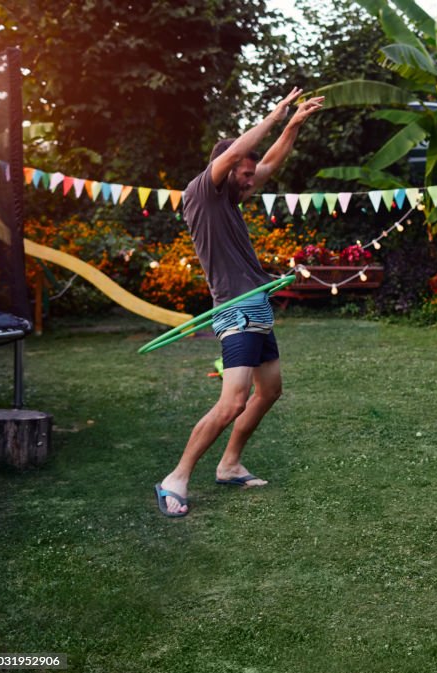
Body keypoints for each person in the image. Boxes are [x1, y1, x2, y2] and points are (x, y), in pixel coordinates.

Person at [155, 88, 324, 517]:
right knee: (233, 400)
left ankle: (229, 464)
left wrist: (293, 125)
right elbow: (244, 155)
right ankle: (175, 478)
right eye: (245, 174)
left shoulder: (230, 196)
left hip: (257, 305)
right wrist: (272, 115)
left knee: (270, 390)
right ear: (227, 168)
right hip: (235, 307)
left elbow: (267, 163)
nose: (252, 181)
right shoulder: (202, 192)